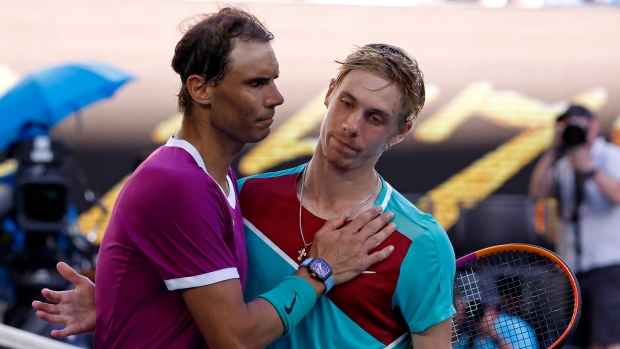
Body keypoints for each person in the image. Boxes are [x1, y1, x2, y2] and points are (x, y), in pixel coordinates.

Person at [34, 43, 457, 347]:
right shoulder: (245, 197)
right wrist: (123, 303)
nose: (351, 125)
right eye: (346, 103)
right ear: (329, 93)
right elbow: (216, 313)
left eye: (375, 117)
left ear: (400, 132)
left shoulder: (422, 243)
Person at [529, 105, 620, 349]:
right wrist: (554, 148)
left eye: (580, 125)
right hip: (573, 265)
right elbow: (538, 191)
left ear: (594, 126)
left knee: (610, 338)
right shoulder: (563, 163)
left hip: (607, 262)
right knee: (580, 338)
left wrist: (590, 170)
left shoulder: (610, 155)